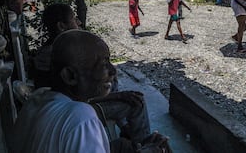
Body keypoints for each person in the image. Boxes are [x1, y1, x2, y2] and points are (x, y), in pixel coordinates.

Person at [12, 29, 171, 153]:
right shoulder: (81, 117)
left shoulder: (39, 97)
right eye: (103, 64)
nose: (113, 71)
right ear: (70, 75)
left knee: (123, 145)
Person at [31, 3, 81, 88]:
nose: (79, 22)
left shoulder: (48, 50)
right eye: (74, 19)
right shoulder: (58, 54)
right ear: (61, 26)